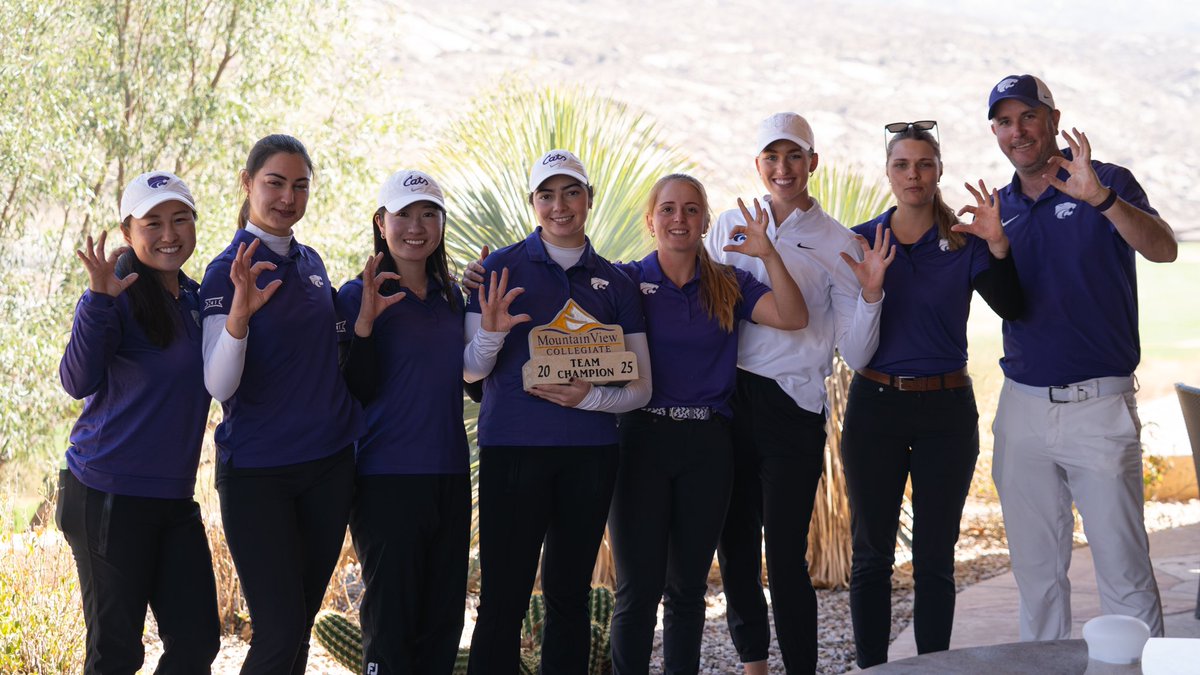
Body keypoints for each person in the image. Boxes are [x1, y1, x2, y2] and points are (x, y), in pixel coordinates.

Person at [985, 74, 1176, 641]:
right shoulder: (999, 209)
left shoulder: (1107, 180)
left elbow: (1164, 249)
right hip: (1022, 411)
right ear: (995, 131)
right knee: (1037, 579)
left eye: (1028, 116)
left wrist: (1102, 201)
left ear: (1053, 118)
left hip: (1099, 408)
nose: (1018, 131)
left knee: (1125, 574)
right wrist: (992, 248)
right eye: (1004, 121)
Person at [703, 112, 891, 674]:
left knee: (785, 554)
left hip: (793, 406)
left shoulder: (839, 242)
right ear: (757, 164)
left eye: (793, 156)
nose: (782, 168)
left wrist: (872, 295)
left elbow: (856, 352)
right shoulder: (728, 225)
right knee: (735, 546)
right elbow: (694, 301)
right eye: (771, 157)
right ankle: (754, 664)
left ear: (813, 162)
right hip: (728, 399)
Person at [606, 174, 808, 674]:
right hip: (641, 441)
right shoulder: (626, 281)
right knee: (637, 591)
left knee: (687, 590)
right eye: (668, 209)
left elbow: (793, 316)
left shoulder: (728, 282)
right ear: (650, 220)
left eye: (691, 209)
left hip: (708, 446)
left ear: (705, 221)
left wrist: (768, 254)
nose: (679, 218)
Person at [840, 121, 1024, 668]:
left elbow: (1013, 307)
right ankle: (872, 668)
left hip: (946, 411)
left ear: (939, 170)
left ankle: (932, 667)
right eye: (902, 164)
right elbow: (850, 342)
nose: (913, 175)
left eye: (924, 164)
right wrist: (870, 286)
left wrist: (998, 244)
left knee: (935, 558)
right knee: (871, 556)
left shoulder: (965, 241)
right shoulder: (861, 240)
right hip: (875, 407)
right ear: (888, 172)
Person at [463, 149, 652, 673]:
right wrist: (492, 331)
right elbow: (470, 372)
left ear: (589, 198)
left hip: (591, 456)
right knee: (503, 597)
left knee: (569, 595)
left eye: (571, 192)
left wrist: (587, 398)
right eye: (546, 195)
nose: (560, 205)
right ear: (533, 202)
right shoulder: (496, 269)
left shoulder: (616, 283)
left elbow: (640, 387)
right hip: (513, 450)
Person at [199, 134, 364, 673]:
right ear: (248, 184)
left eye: (300, 185)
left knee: (299, 627)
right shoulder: (226, 270)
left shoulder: (311, 262)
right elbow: (219, 384)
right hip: (258, 474)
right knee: (279, 631)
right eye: (275, 183)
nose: (288, 197)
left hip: (328, 468)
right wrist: (240, 315)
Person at [57, 171, 220, 673]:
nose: (169, 234)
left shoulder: (196, 299)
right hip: (108, 493)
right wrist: (98, 300)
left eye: (180, 219)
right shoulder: (115, 294)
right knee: (116, 654)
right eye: (153, 223)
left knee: (197, 644)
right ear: (128, 232)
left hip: (173, 500)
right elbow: (76, 380)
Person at [335, 170, 470, 673]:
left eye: (429, 213)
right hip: (386, 478)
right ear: (381, 222)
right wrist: (365, 326)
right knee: (392, 622)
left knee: (443, 622)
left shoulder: (452, 297)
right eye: (404, 214)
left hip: (450, 474)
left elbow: (475, 380)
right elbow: (354, 390)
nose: (416, 226)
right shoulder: (356, 295)